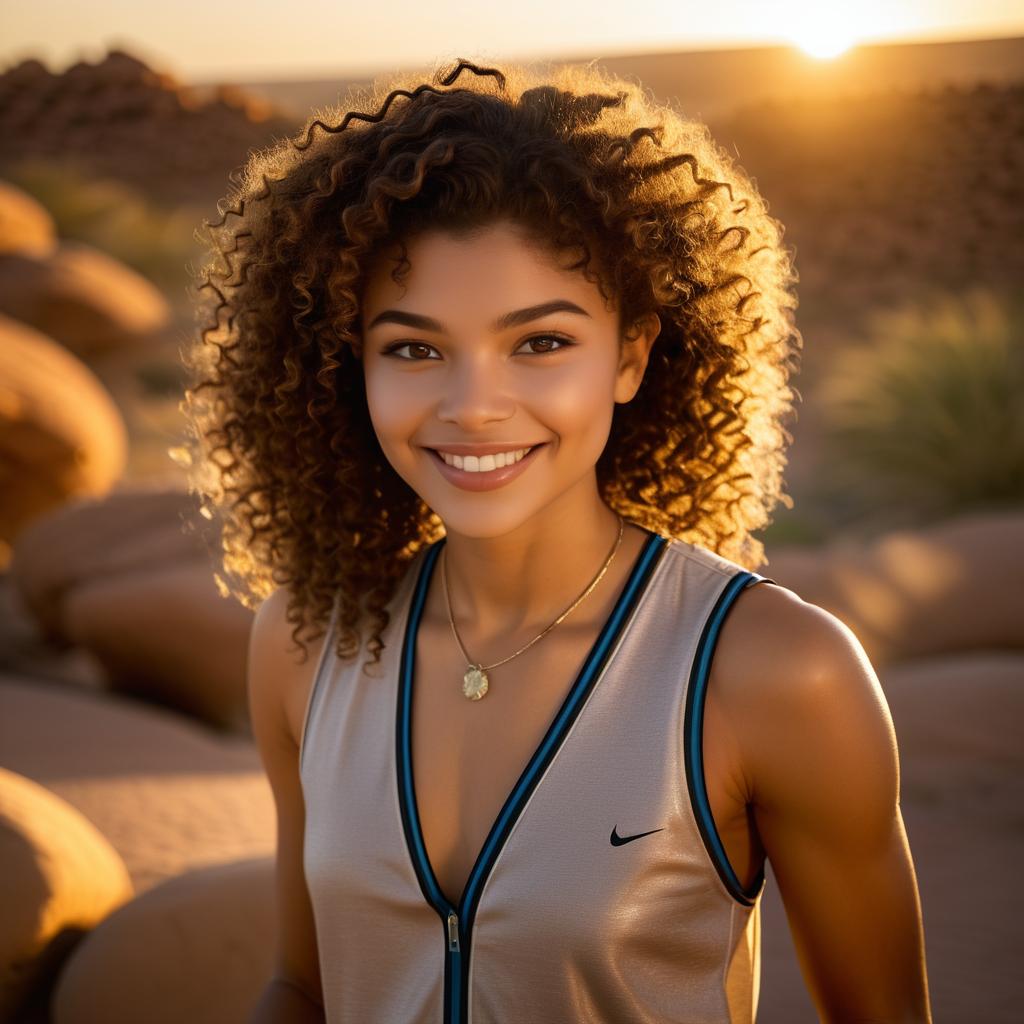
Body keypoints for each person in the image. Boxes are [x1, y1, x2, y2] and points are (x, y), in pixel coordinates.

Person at [180, 56, 932, 1023]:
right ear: (348, 365)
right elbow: (302, 986)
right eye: (414, 348)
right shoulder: (306, 641)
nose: (474, 406)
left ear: (630, 355)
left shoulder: (777, 673)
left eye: (540, 342)